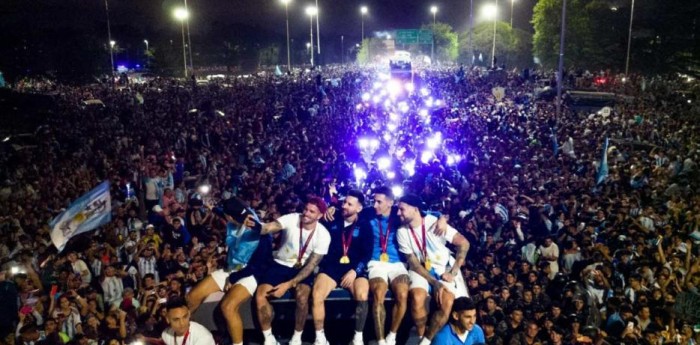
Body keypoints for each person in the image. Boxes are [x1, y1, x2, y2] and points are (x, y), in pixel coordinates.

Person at [252, 197, 331, 345]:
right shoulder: (292, 218)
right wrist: (257, 226)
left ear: (319, 216)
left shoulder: (323, 235)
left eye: (311, 211)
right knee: (261, 295)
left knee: (302, 297)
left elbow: (310, 266)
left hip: (302, 269)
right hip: (280, 264)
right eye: (306, 209)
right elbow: (271, 227)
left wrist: (288, 285)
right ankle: (268, 338)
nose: (306, 213)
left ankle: (297, 337)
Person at [396, 194, 471, 345]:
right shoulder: (402, 232)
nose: (398, 213)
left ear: (415, 209)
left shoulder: (433, 223)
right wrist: (434, 282)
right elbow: (415, 264)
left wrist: (453, 272)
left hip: (442, 268)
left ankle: (426, 341)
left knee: (448, 301)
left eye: (402, 209)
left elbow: (464, 243)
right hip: (420, 271)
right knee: (417, 297)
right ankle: (420, 335)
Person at [311, 189, 373, 345]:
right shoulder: (331, 218)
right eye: (344, 202)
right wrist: (327, 209)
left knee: (362, 295)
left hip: (354, 269)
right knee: (317, 294)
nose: (344, 205)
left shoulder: (365, 225)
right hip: (331, 268)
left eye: (349, 204)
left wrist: (355, 271)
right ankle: (320, 338)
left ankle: (357, 338)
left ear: (359, 208)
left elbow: (367, 254)